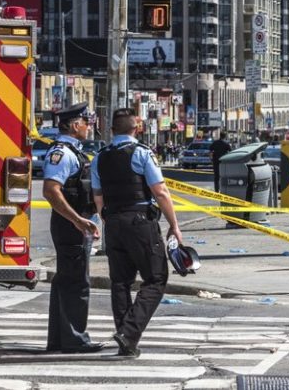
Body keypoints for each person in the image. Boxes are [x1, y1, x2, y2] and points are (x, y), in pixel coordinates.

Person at [91, 108, 183, 358]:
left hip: (114, 222)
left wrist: (106, 219)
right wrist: (174, 225)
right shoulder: (142, 153)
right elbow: (161, 192)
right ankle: (129, 333)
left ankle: (125, 337)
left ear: (112, 130)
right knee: (156, 278)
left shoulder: (100, 157)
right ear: (136, 129)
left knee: (120, 282)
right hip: (139, 222)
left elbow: (98, 196)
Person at [42, 102, 105, 354]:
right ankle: (75, 339)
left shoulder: (73, 151)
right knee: (77, 282)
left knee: (66, 280)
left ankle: (61, 339)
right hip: (71, 226)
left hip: (74, 224)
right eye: (86, 122)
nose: (89, 127)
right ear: (74, 125)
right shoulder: (63, 153)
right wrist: (77, 220)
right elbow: (50, 191)